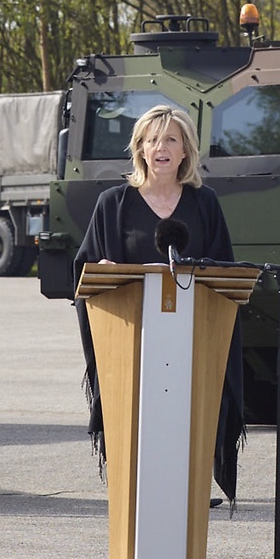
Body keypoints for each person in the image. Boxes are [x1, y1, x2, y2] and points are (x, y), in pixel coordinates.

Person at [69, 103, 242, 500]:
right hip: (132, 337)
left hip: (193, 335)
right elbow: (83, 272)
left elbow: (225, 270)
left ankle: (189, 487)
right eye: (151, 140)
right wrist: (106, 270)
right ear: (139, 150)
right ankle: (137, 485)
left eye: (170, 139)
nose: (160, 147)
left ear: (186, 151)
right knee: (140, 415)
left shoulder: (204, 202)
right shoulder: (113, 204)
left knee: (187, 413)